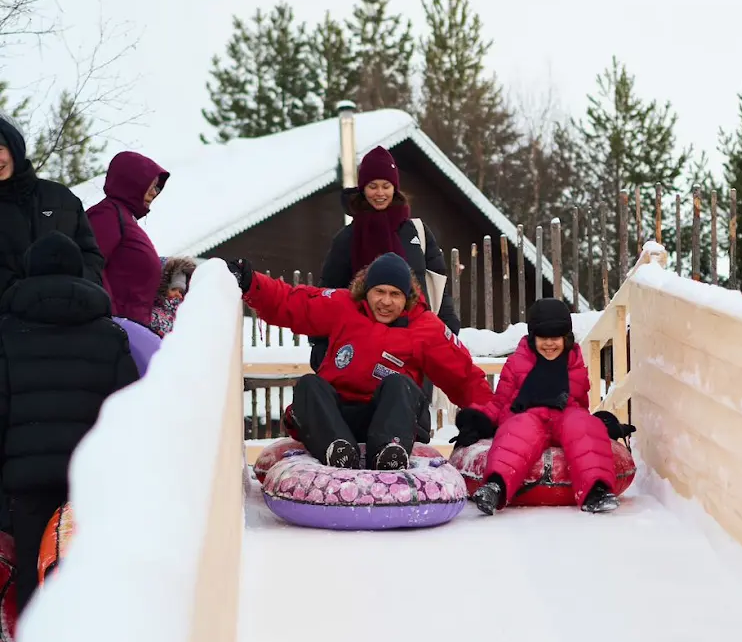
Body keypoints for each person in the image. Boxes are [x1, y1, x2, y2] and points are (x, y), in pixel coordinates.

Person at [227, 251, 491, 470]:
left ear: (407, 297)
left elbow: (464, 375)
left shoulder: (426, 328)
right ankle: (338, 450)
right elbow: (293, 303)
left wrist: (489, 418)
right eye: (379, 292)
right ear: (367, 291)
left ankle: (390, 453)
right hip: (339, 418)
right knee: (309, 384)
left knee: (399, 384)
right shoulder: (344, 307)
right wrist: (251, 282)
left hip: (391, 419)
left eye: (395, 294)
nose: (385, 302)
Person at [0, 232, 138, 613]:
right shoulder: (110, 336)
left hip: (27, 490)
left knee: (33, 581)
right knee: (91, 578)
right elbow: (129, 417)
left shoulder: (7, 334)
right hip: (91, 485)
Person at [455, 297, 620, 515]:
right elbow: (500, 401)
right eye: (543, 337)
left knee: (583, 424)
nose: (549, 344)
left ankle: (596, 489)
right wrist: (478, 422)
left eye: (556, 338)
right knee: (516, 429)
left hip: (565, 415)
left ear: (566, 338)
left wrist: (602, 424)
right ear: (533, 337)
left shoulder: (575, 362)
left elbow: (580, 403)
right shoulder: (517, 362)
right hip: (528, 414)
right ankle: (496, 486)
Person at [310, 145, 460, 370]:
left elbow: (437, 284)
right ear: (363, 189)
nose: (380, 193)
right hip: (362, 345)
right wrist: (320, 343)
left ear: (395, 188)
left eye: (386, 186)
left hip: (413, 342)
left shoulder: (416, 232)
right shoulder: (348, 238)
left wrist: (449, 329)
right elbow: (329, 292)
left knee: (412, 400)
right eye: (372, 186)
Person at [0, 111, 103, 300]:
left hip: (71, 316)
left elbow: (91, 257)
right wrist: (20, 295)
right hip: (10, 322)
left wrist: (74, 287)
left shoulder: (61, 198)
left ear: (15, 148)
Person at [86, 151, 169, 373]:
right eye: (150, 185)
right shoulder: (105, 215)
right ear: (131, 182)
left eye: (157, 187)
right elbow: (91, 267)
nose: (155, 193)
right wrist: (109, 320)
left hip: (130, 329)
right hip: (118, 333)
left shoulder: (123, 217)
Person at [150, 255, 197, 339]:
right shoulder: (152, 314)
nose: (178, 294)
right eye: (174, 289)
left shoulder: (184, 315)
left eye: (181, 292)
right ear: (164, 288)